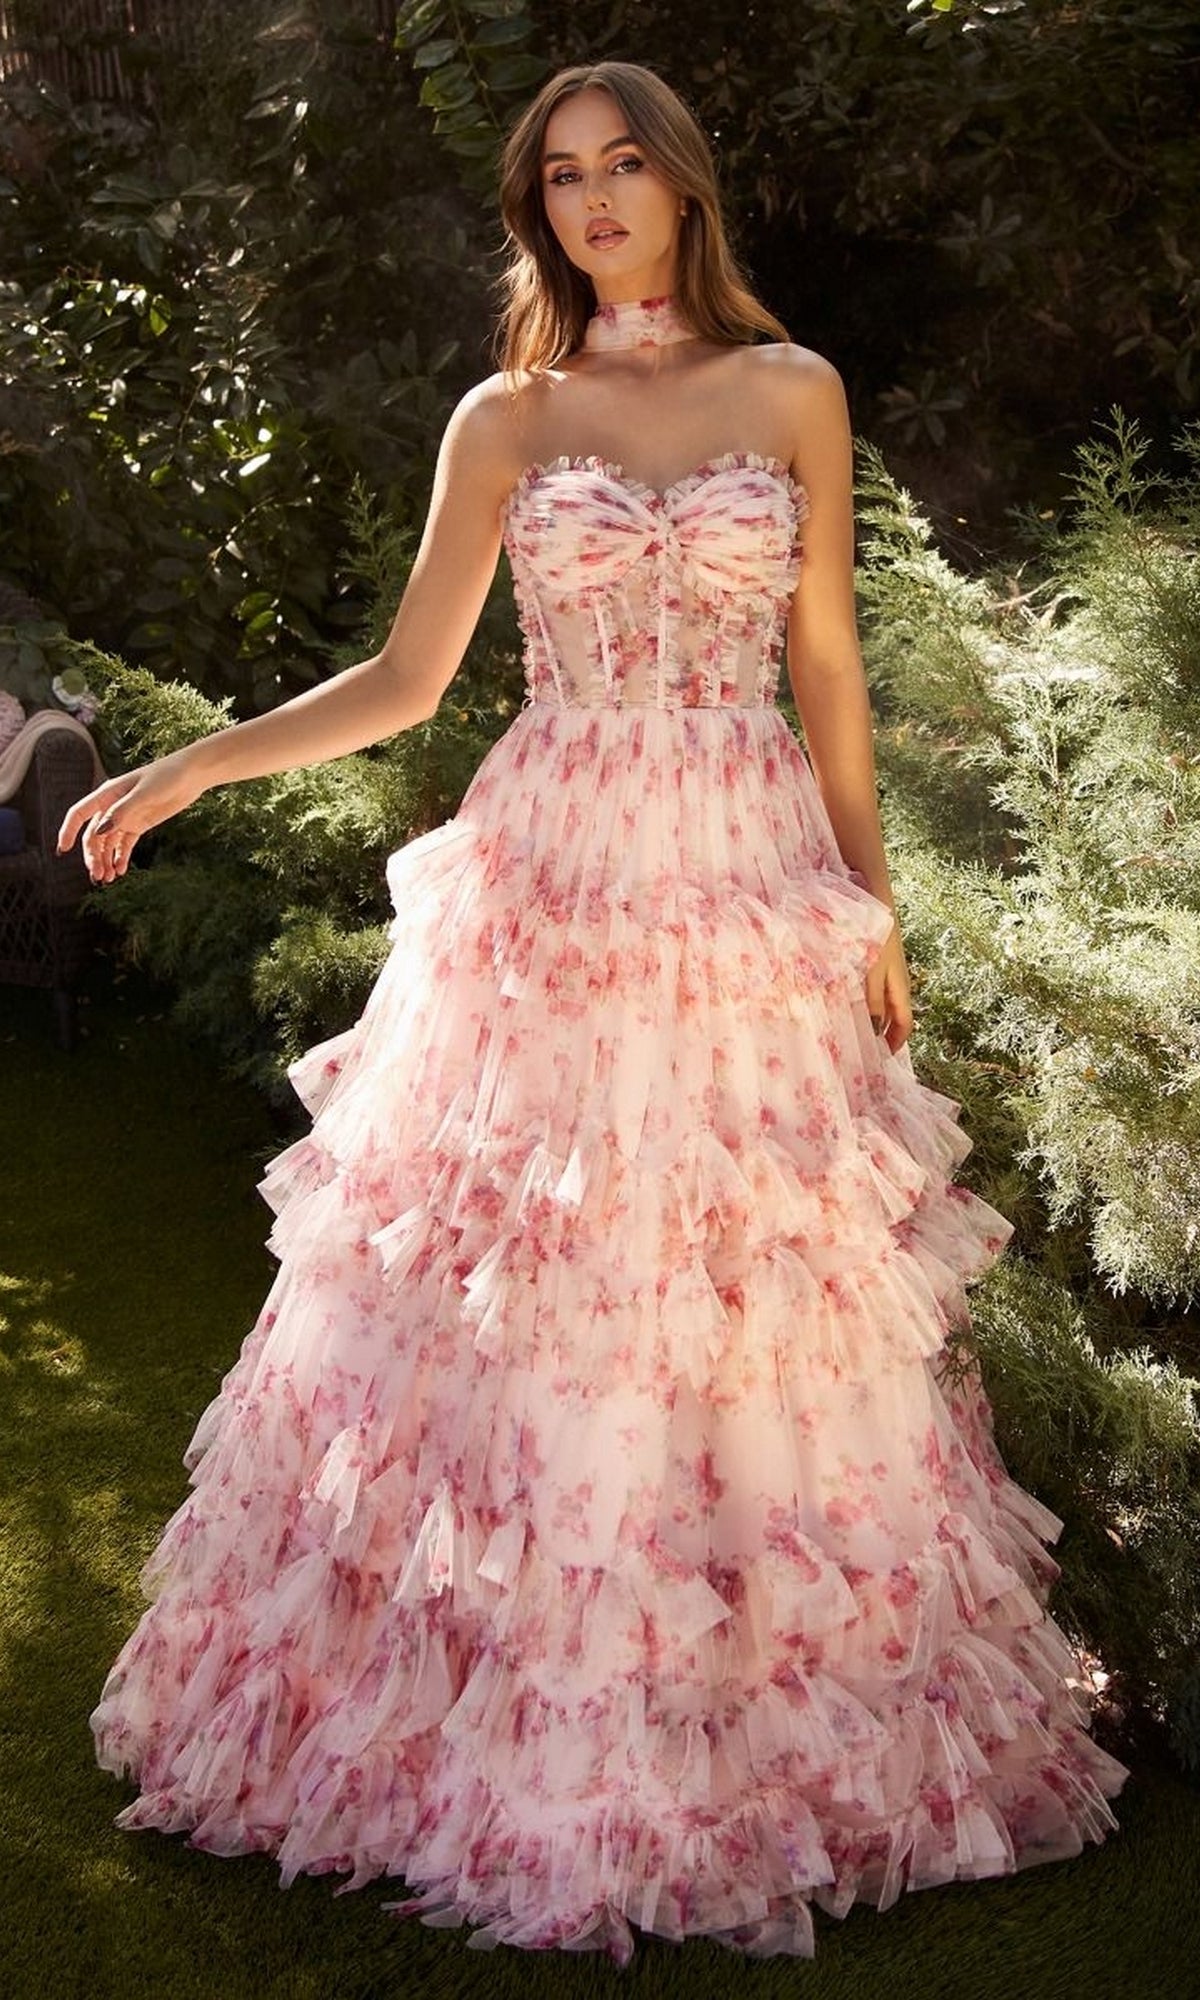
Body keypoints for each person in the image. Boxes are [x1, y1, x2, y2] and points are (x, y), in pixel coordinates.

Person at [59, 59, 1127, 1967]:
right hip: (551, 880)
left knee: (749, 1292)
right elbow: (406, 676)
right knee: (528, 1288)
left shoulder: (790, 390)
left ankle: (745, 1721)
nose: (597, 201)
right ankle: (489, 1723)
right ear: (538, 210)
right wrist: (193, 770)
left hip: (738, 876)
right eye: (563, 178)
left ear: (684, 185)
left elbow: (828, 673)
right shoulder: (508, 414)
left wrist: (866, 903)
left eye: (625, 165)